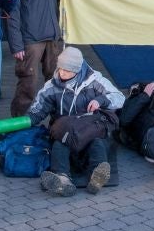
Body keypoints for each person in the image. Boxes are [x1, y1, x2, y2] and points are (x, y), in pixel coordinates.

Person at [27, 47, 124, 197]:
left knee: (96, 142)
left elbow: (119, 98)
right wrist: (28, 119)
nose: (62, 73)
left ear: (78, 70)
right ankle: (62, 180)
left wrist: (100, 100)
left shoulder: (95, 81)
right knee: (59, 144)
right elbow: (38, 109)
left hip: (87, 130)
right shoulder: (51, 86)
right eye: (61, 69)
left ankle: (96, 177)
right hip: (64, 132)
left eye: (68, 70)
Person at [6, 0, 63, 116]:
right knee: (28, 85)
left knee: (55, 82)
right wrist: (16, 45)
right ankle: (17, 126)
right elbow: (11, 11)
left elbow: (53, 0)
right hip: (30, 39)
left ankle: (55, 122)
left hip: (51, 37)